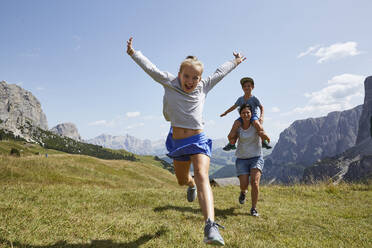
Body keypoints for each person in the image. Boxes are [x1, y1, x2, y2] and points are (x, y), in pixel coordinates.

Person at [126, 37, 245, 246]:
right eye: (187, 76)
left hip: (198, 139)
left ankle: (210, 225)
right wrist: (134, 53)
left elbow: (220, 73)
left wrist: (234, 62)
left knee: (202, 175)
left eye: (195, 77)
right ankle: (189, 185)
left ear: (200, 78)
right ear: (179, 74)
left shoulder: (203, 87)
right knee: (183, 180)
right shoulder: (169, 82)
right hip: (177, 142)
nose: (191, 81)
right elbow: (151, 69)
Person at [220, 77, 271, 151]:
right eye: (244, 86)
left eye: (249, 86)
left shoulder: (254, 98)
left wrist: (261, 117)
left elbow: (261, 107)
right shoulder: (240, 99)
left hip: (253, 116)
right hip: (243, 117)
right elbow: (234, 106)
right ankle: (231, 143)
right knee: (235, 125)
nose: (246, 87)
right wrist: (226, 112)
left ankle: (264, 141)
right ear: (242, 88)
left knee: (258, 125)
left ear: (252, 87)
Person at [234, 104, 264, 217]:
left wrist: (265, 138)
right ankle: (243, 192)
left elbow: (263, 132)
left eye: (248, 113)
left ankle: (253, 208)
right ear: (240, 115)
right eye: (243, 113)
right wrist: (231, 139)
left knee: (255, 183)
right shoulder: (238, 126)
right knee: (244, 185)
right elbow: (232, 139)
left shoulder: (256, 125)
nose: (246, 115)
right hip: (242, 159)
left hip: (256, 157)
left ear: (251, 114)